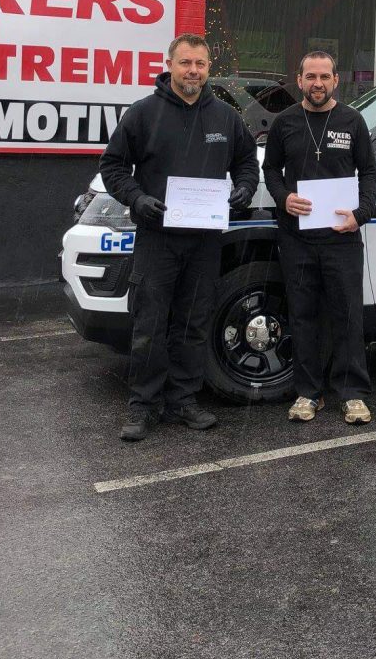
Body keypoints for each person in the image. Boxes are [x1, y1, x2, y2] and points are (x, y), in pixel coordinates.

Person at [99, 33, 258, 441]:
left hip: (205, 239)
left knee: (193, 322)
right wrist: (136, 199)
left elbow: (245, 164)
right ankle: (142, 406)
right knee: (150, 322)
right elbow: (113, 167)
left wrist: (241, 189)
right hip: (158, 237)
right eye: (185, 63)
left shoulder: (225, 116)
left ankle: (183, 400)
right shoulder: (142, 114)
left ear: (209, 69)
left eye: (200, 64)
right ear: (169, 64)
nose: (193, 71)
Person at [262, 51, 376, 425]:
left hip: (341, 237)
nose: (317, 83)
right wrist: (283, 198)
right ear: (299, 80)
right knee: (303, 314)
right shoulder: (285, 123)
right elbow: (270, 170)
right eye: (310, 76)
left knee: (347, 316)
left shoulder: (352, 120)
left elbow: (369, 173)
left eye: (324, 76)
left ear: (335, 80)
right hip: (297, 237)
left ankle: (352, 393)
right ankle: (308, 393)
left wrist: (360, 216)